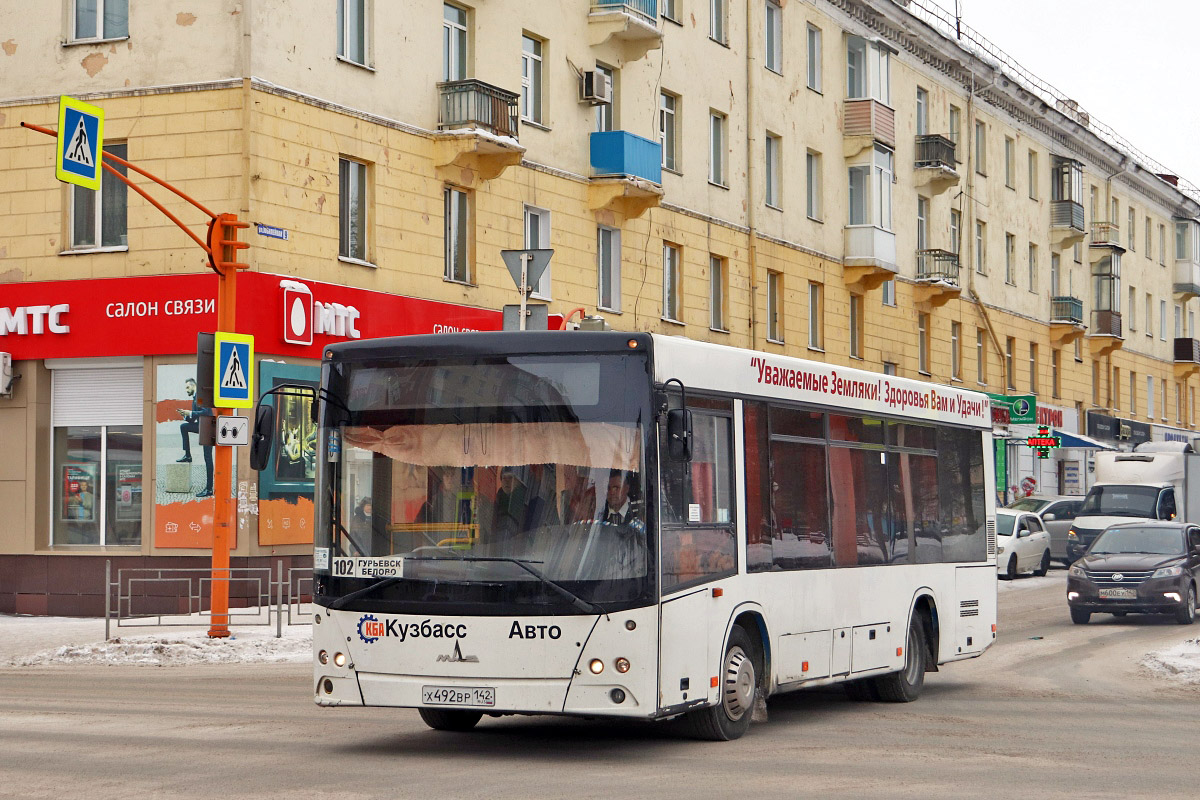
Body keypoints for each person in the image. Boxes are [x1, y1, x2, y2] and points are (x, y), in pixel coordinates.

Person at [177, 377, 214, 498]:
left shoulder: (201, 396)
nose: (186, 390)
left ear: (194, 386)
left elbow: (206, 411)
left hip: (208, 428)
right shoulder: (195, 399)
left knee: (207, 458)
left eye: (188, 387)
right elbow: (193, 419)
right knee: (184, 426)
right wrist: (186, 415)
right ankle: (188, 455)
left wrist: (190, 413)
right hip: (202, 426)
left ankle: (209, 489)